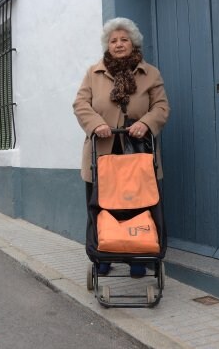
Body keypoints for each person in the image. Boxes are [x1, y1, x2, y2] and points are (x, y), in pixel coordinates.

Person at [73, 17, 170, 278]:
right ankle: (102, 255)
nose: (118, 44)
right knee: (102, 206)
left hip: (138, 151)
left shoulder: (150, 73)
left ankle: (137, 257)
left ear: (133, 42)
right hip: (102, 153)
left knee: (139, 205)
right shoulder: (93, 73)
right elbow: (81, 105)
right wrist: (96, 124)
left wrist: (146, 123)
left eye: (124, 39)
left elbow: (161, 107)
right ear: (108, 45)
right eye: (113, 40)